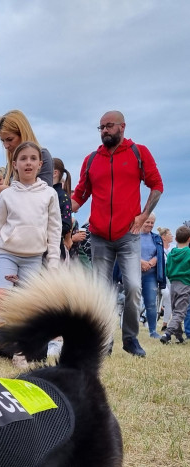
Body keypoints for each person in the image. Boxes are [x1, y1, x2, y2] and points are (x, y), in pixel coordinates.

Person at [71, 110, 163, 357]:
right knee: (100, 294)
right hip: (99, 236)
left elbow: (157, 185)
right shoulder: (92, 160)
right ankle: (103, 342)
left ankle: (131, 339)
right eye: (101, 127)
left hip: (128, 236)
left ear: (122, 126)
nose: (104, 131)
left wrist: (144, 216)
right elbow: (80, 195)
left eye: (109, 126)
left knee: (133, 288)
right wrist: (59, 205)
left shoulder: (138, 153)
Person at [0, 141, 61, 367]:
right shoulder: (7, 195)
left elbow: (54, 230)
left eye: (33, 159)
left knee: (27, 306)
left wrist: (53, 263)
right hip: (8, 255)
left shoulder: (49, 195)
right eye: (23, 159)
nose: (28, 163)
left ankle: (21, 352)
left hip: (34, 258)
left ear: (40, 164)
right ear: (14, 164)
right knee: (0, 300)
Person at [0, 110, 53, 196]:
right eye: (3, 141)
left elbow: (45, 196)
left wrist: (8, 191)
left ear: (23, 133)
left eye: (10, 139)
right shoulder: (11, 163)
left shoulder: (43, 155)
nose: (5, 146)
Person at [159, 225, 190, 344]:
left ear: (176, 239)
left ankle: (179, 337)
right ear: (189, 239)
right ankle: (167, 334)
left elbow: (167, 270)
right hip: (185, 284)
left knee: (176, 310)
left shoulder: (171, 253)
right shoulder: (188, 253)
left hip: (173, 285)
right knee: (180, 312)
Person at [139, 214, 165, 339]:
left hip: (151, 274)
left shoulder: (156, 238)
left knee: (151, 303)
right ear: (142, 220)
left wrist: (154, 260)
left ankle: (153, 331)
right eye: (147, 222)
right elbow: (127, 252)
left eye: (152, 223)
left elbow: (159, 253)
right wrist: (141, 262)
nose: (150, 224)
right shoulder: (132, 236)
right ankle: (129, 331)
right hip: (134, 272)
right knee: (132, 302)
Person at [52, 158, 72, 259]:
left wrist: (46, 230)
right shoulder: (43, 194)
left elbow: (66, 224)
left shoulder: (62, 196)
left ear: (54, 173)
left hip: (55, 250)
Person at [157, 226, 174, 331]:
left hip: (170, 277)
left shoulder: (174, 248)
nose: (172, 236)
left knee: (169, 301)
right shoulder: (158, 248)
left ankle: (165, 324)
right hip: (160, 278)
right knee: (164, 296)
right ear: (164, 237)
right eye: (170, 234)